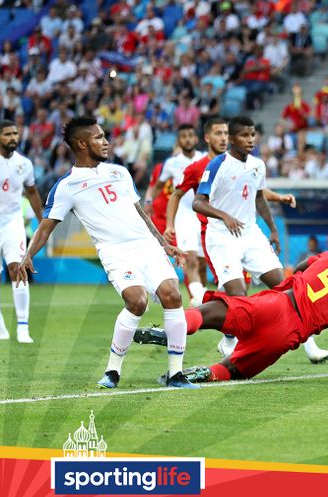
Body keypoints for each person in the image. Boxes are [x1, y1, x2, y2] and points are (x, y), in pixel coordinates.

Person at [11, 116, 197, 389]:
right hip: (115, 251)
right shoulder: (66, 186)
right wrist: (28, 255)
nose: (106, 142)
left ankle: (176, 375)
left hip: (146, 245)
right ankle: (113, 371)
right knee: (137, 301)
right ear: (82, 144)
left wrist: (162, 243)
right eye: (99, 137)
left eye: (104, 136)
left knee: (173, 295)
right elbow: (46, 227)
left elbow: (140, 213)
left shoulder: (119, 172)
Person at [132, 245, 328, 383]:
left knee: (212, 313)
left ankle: (177, 327)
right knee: (235, 369)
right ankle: (197, 373)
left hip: (278, 303)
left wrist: (292, 285)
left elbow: (301, 266)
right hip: (289, 334)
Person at [192, 116, 284, 357]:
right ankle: (231, 343)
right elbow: (197, 203)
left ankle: (308, 344)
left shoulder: (257, 165)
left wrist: (272, 231)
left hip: (251, 233)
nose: (250, 139)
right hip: (222, 236)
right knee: (238, 295)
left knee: (284, 287)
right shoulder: (217, 165)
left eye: (252, 134)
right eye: (244, 135)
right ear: (232, 139)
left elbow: (259, 197)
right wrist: (224, 216)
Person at [146, 124, 207, 306]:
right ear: (179, 141)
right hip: (185, 216)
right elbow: (157, 186)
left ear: (196, 139)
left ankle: (200, 299)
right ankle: (200, 301)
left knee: (203, 264)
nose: (187, 139)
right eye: (183, 136)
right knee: (191, 261)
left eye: (191, 135)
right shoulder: (171, 164)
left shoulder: (205, 159)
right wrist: (148, 202)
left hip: (205, 215)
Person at [0, 119, 43, 343]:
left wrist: (42, 220)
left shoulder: (24, 164)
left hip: (12, 222)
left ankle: (23, 328)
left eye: (15, 133)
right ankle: (0, 326)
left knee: (18, 268)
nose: (13, 138)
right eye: (7, 134)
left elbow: (33, 192)